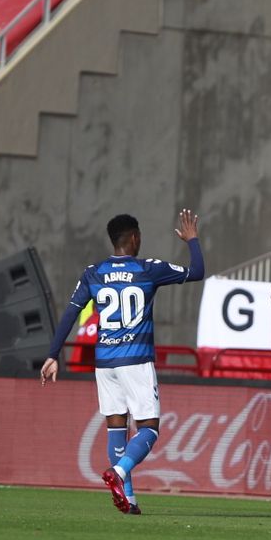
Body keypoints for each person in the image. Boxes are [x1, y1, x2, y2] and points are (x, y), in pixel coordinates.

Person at [41, 209, 205, 514]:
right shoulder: (148, 269)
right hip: (136, 360)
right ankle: (118, 473)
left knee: (116, 427)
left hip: (104, 362)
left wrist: (52, 354)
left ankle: (128, 499)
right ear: (134, 237)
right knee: (149, 429)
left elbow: (70, 313)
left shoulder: (93, 272)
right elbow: (196, 272)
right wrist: (192, 241)